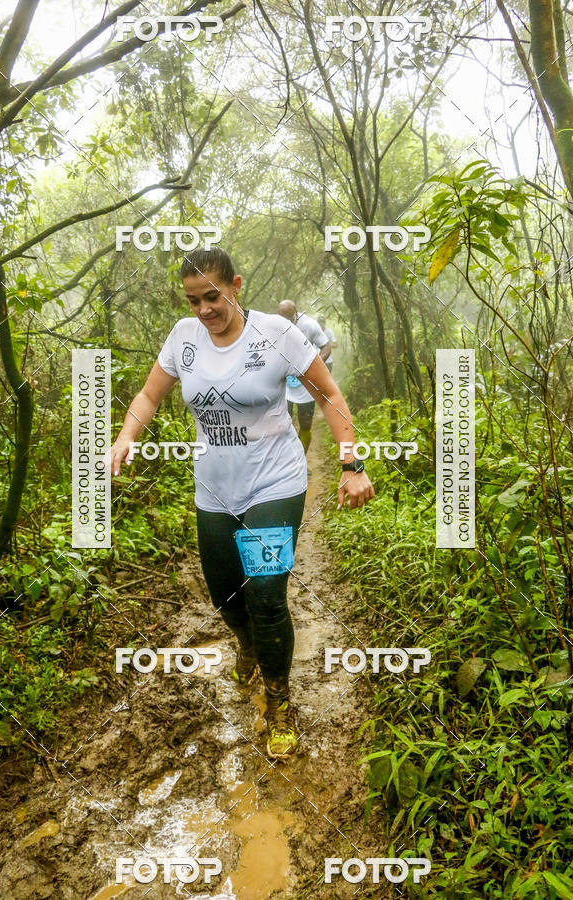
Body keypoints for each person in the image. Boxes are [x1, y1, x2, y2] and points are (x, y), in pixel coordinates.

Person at [108, 248, 374, 759]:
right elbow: (148, 396)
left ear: (236, 285)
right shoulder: (184, 339)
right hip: (214, 490)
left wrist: (350, 463)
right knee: (226, 597)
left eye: (212, 296)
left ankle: (278, 704)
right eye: (193, 300)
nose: (204, 310)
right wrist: (127, 437)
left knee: (267, 594)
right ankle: (246, 644)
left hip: (274, 483)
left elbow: (329, 396)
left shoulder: (276, 333)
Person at [277, 300, 329, 455]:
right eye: (282, 318)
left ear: (296, 313)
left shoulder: (310, 325)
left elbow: (326, 347)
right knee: (281, 423)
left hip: (305, 383)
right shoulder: (275, 324)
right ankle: (286, 461)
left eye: (288, 319)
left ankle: (301, 459)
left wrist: (314, 366)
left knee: (305, 423)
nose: (285, 323)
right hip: (284, 382)